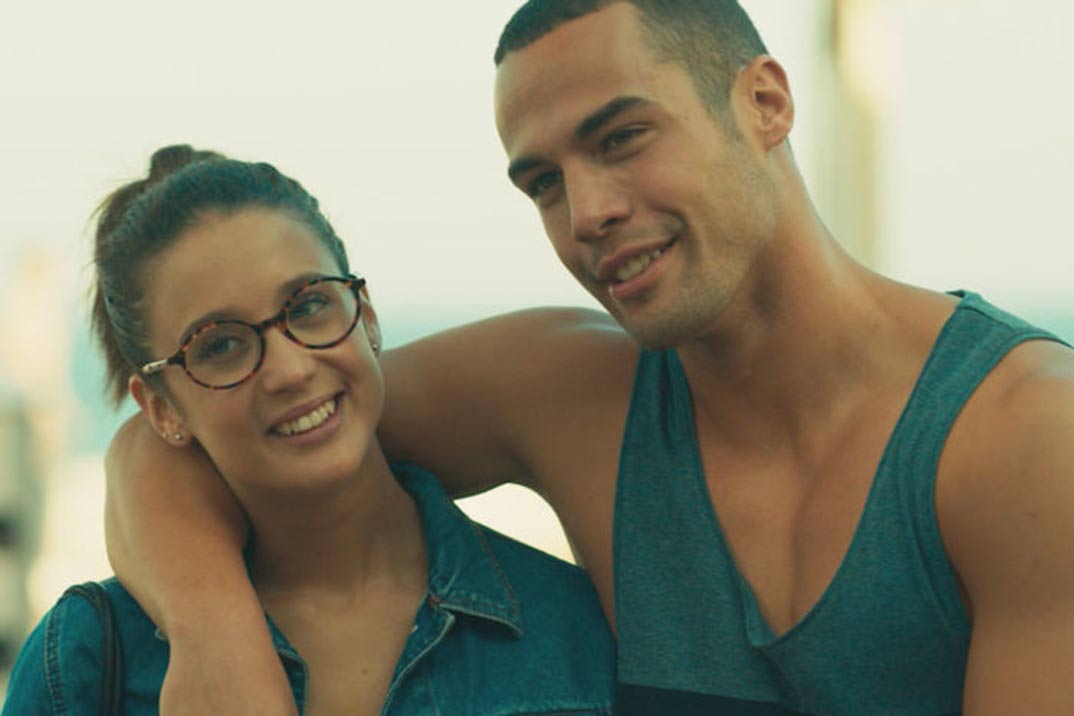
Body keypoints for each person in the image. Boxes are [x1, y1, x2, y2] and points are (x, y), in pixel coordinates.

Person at [103, 1, 1074, 715]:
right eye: (543, 183)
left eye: (622, 137)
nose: (587, 212)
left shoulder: (1021, 439)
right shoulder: (576, 396)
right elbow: (199, 436)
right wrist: (216, 641)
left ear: (765, 101)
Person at [1, 145, 615, 716]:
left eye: (309, 305)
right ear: (162, 409)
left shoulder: (575, 629)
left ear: (365, 315)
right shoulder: (88, 661)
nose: (291, 370)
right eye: (220, 345)